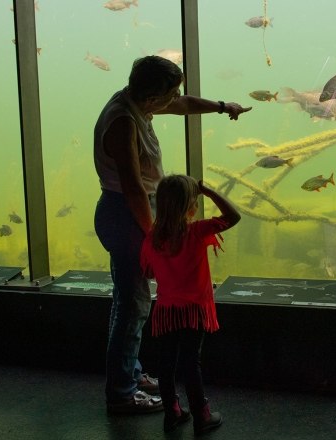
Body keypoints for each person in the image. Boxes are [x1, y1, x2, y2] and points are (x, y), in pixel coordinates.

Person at [93, 55, 251, 415]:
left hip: (133, 211)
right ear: (152, 98)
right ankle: (121, 393)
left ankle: (129, 373)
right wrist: (155, 237)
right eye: (171, 92)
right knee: (132, 306)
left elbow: (181, 104)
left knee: (130, 303)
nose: (176, 98)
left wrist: (223, 107)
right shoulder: (122, 122)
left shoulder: (135, 104)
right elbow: (133, 188)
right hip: (127, 214)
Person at [140, 175, 241, 435]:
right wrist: (208, 190)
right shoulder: (197, 231)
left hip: (166, 311)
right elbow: (233, 216)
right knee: (190, 362)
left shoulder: (152, 238)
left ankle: (172, 412)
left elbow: (148, 272)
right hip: (194, 310)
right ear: (191, 207)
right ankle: (201, 415)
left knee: (166, 362)